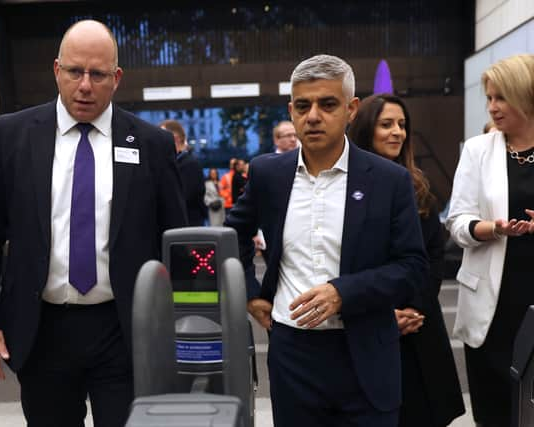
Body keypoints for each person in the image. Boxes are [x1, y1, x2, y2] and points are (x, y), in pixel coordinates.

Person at [0, 20, 187, 427]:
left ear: (116, 78)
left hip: (124, 332)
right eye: (74, 72)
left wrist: (179, 327)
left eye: (97, 74)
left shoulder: (151, 145)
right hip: (41, 329)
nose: (84, 85)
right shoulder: (12, 135)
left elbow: (175, 242)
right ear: (56, 70)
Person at [225, 54, 427, 427]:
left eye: (327, 104)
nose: (313, 115)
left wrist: (342, 293)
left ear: (351, 109)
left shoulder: (388, 180)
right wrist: (250, 292)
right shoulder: (268, 174)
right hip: (293, 355)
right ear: (291, 109)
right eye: (303, 106)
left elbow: (412, 268)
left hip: (365, 353)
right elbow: (231, 235)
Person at [349, 93, 465, 427]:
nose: (397, 132)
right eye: (386, 124)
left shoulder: (419, 188)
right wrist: (386, 314)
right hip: (370, 324)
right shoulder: (347, 188)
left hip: (419, 325)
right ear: (366, 129)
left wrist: (414, 308)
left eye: (402, 125)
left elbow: (433, 257)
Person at [446, 53, 534, 427]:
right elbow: (457, 221)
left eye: (501, 98)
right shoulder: (477, 150)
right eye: (489, 98)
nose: (493, 108)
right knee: (496, 409)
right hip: (492, 305)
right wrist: (493, 228)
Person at [160, 119, 207, 226]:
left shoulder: (189, 164)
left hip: (187, 230)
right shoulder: (177, 162)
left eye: (161, 137)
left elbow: (182, 199)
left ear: (175, 139)